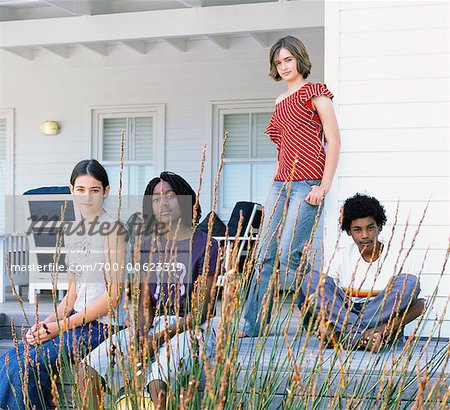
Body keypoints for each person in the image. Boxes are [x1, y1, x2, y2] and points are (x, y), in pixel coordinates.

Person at [80, 172, 218, 409]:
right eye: (155, 199)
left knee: (157, 378)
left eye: (170, 196)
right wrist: (142, 335)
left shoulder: (206, 244)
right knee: (89, 366)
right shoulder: (148, 245)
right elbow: (145, 302)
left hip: (193, 328)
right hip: (153, 326)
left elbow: (202, 311)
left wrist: (157, 338)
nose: (162, 203)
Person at [0, 159, 127, 409]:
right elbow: (71, 295)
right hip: (75, 320)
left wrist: (60, 327)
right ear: (71, 190)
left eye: (94, 190)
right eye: (80, 190)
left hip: (102, 326)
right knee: (10, 360)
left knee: (27, 366)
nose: (87, 197)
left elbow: (113, 297)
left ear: (106, 191)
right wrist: (46, 323)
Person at [242, 35, 341, 337]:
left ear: (299, 58)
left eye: (288, 59)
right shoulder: (279, 101)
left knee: (289, 253)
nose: (284, 66)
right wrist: (275, 184)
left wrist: (324, 186)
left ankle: (319, 317)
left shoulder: (315, 93)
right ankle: (254, 323)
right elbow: (282, 148)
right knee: (264, 255)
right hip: (280, 185)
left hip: (308, 184)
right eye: (278, 62)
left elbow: (333, 140)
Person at [302, 193, 424, 351]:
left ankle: (346, 337)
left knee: (410, 282)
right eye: (358, 230)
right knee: (311, 280)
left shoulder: (400, 256)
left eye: (370, 228)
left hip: (381, 325)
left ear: (379, 227)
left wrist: (384, 329)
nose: (365, 235)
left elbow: (420, 305)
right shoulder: (341, 257)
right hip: (348, 313)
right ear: (349, 232)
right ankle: (360, 338)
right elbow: (324, 297)